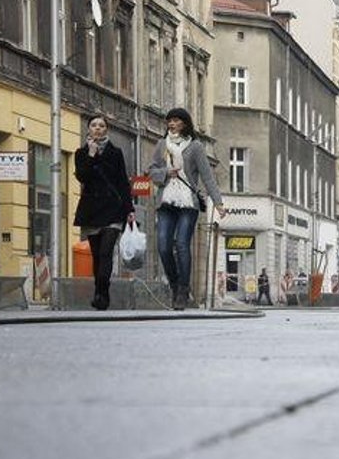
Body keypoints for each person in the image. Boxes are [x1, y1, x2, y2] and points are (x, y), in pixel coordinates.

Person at [148, 108, 226, 310]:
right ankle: (175, 285)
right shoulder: (161, 144)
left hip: (188, 203)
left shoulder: (196, 146)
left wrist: (218, 203)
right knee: (163, 246)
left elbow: (207, 176)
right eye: (169, 121)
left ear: (184, 123)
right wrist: (166, 173)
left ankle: (183, 290)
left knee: (182, 244)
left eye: (175, 121)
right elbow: (151, 170)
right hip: (166, 201)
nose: (171, 124)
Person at [73, 115, 135, 311]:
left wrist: (129, 209)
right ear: (88, 129)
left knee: (106, 252)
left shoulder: (115, 153)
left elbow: (123, 182)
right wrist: (91, 154)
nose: (97, 128)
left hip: (113, 210)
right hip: (92, 209)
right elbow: (82, 176)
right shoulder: (81, 152)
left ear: (106, 129)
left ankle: (101, 292)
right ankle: (101, 292)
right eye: (94, 125)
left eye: (101, 126)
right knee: (97, 255)